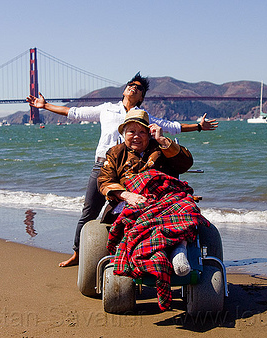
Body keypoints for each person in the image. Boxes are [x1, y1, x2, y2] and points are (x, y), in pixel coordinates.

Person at [27, 72, 218, 267]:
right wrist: (45, 106)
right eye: (131, 84)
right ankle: (78, 253)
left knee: (146, 207)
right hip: (105, 164)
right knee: (89, 211)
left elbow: (172, 126)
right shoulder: (107, 109)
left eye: (139, 87)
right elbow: (74, 112)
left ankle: (159, 249)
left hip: (137, 169)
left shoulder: (145, 118)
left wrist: (198, 127)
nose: (133, 87)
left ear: (141, 98)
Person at [98, 110, 210, 311]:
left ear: (149, 132)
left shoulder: (161, 146)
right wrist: (127, 195)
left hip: (165, 196)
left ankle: (179, 250)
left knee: (186, 207)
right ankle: (166, 253)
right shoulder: (115, 153)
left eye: (142, 131)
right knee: (138, 217)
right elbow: (105, 181)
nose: (136, 136)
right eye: (131, 131)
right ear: (124, 133)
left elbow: (186, 163)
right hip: (133, 197)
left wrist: (163, 140)